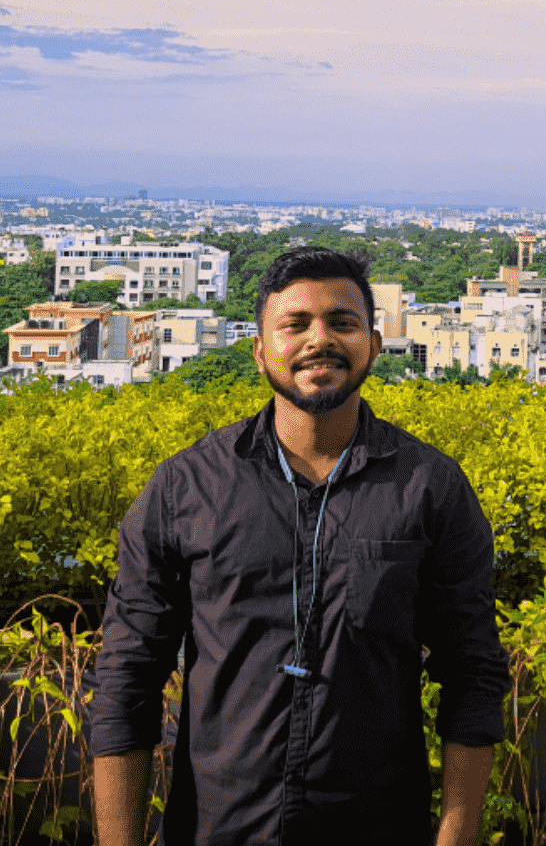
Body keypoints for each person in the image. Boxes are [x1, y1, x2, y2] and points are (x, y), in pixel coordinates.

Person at [91, 247, 510, 846]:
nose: (320, 339)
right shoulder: (188, 488)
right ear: (260, 350)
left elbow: (472, 674)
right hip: (217, 829)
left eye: (342, 322)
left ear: (374, 343)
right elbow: (127, 677)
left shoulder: (428, 489)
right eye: (295, 324)